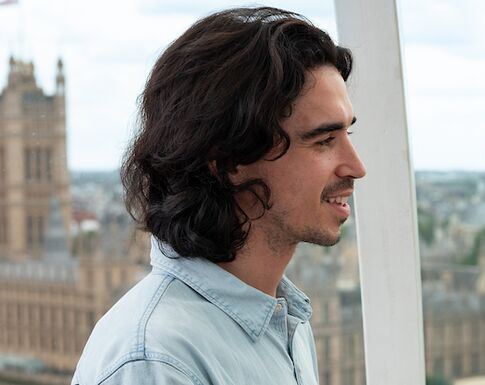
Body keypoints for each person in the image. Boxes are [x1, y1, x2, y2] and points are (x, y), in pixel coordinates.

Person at [72, 7, 364, 385]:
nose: (357, 167)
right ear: (229, 160)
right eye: (324, 140)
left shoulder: (285, 320)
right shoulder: (157, 361)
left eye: (347, 136)